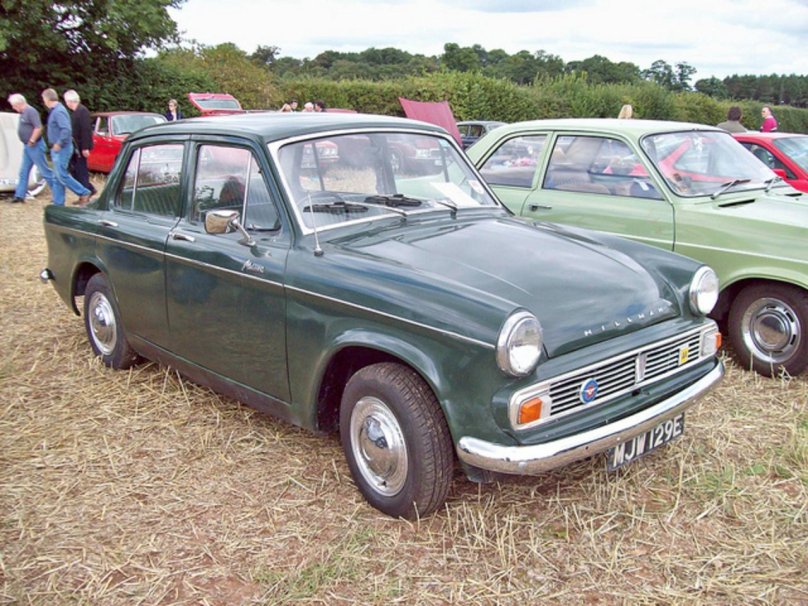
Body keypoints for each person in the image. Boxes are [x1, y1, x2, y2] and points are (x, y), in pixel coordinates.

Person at [41, 88, 92, 206]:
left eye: (44, 99)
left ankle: (84, 192)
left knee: (61, 175)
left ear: (47, 99)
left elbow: (66, 129)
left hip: (62, 148)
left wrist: (59, 143)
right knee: (56, 176)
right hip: (57, 148)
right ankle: (58, 202)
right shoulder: (56, 111)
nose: (43, 102)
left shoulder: (58, 111)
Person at [6, 93, 54, 204]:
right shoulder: (23, 113)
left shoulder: (31, 111)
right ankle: (19, 195)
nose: (13, 108)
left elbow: (38, 127)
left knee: (45, 171)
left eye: (14, 105)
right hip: (27, 146)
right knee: (23, 171)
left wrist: (32, 140)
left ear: (19, 103)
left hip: (35, 145)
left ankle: (57, 195)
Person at [63, 89, 96, 195]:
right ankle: (89, 189)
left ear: (69, 101)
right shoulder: (76, 112)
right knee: (75, 170)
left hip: (81, 147)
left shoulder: (82, 111)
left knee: (81, 170)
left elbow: (86, 130)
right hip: (76, 146)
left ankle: (86, 191)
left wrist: (85, 148)